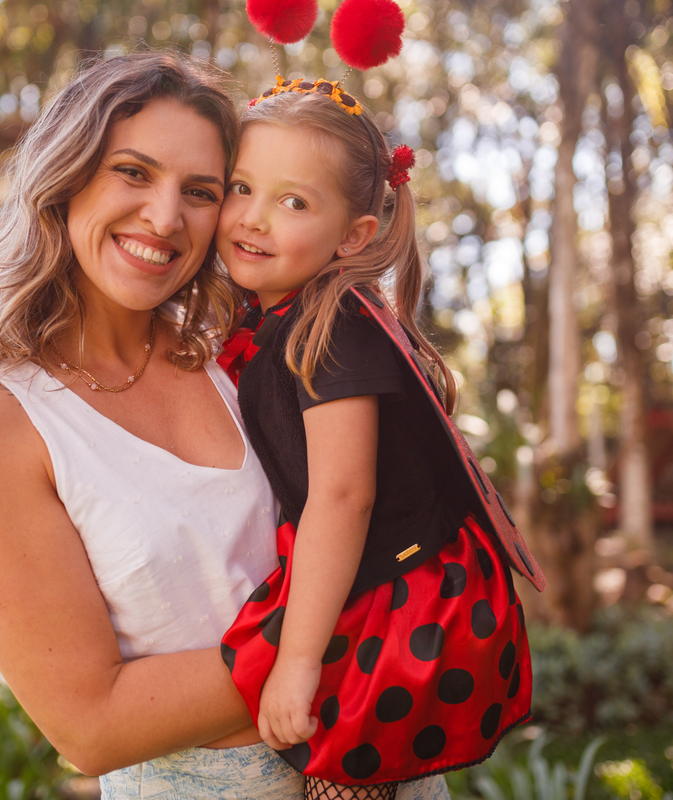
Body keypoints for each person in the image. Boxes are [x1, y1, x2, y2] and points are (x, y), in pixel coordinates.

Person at [0, 51, 449, 800]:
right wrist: (343, 625)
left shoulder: (240, 348)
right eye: (133, 172)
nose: (166, 218)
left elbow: (368, 497)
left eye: (202, 191)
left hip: (381, 766)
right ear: (65, 176)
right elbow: (90, 727)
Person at [213, 81, 538, 800]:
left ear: (354, 235)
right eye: (241, 187)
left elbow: (342, 494)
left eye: (293, 201)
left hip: (403, 593)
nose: (253, 219)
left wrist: (299, 661)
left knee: (343, 765)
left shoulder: (334, 329)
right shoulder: (287, 314)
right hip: (382, 569)